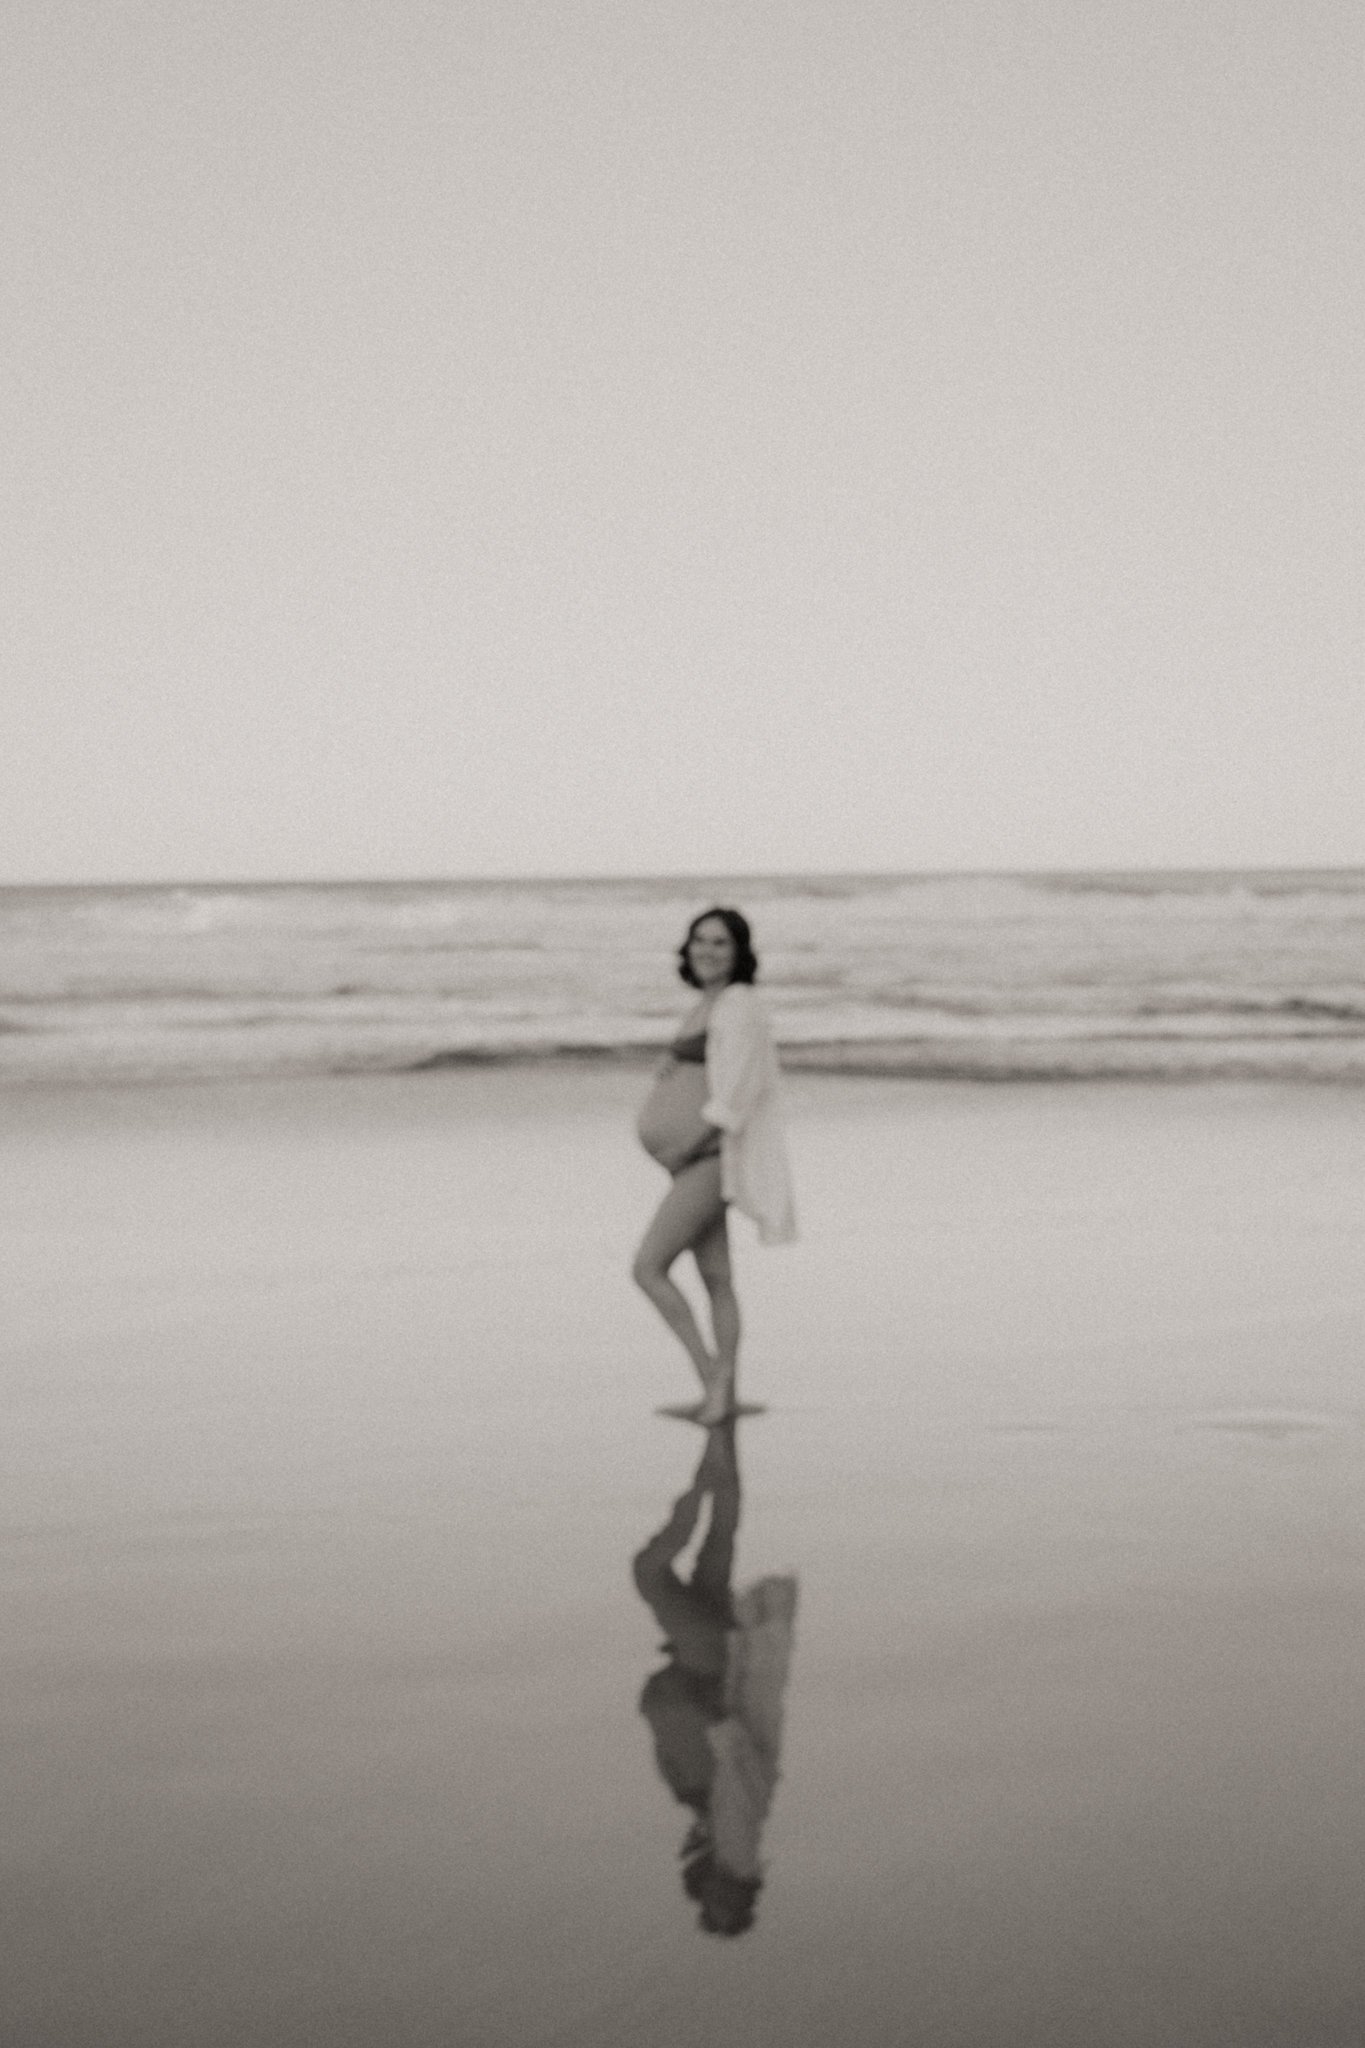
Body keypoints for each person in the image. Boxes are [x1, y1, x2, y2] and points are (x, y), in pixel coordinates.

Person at [632, 1423, 798, 1938]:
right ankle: (707, 1474)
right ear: (739, 1902)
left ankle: (719, 1442)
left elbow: (733, 1778)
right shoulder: (738, 1852)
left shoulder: (719, 1851)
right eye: (722, 1910)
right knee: (649, 1572)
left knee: (717, 1545)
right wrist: (716, 1718)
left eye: (710, 1910)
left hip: (699, 1671)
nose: (712, 1903)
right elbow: (744, 1775)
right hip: (705, 1673)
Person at [632, 907, 796, 1425]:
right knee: (716, 1277)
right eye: (699, 940)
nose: (707, 950)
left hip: (706, 1159)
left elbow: (738, 1093)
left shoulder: (739, 1005)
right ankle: (723, 1394)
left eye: (720, 942)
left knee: (648, 1268)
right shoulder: (711, 1003)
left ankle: (713, 1381)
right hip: (693, 1160)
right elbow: (708, 1068)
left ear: (740, 952)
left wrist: (689, 1145)